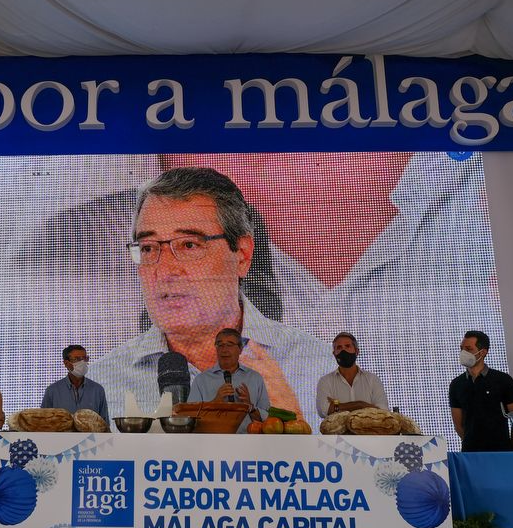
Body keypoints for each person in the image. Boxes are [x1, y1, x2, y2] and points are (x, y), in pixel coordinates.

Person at [89, 166, 333, 421]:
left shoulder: (321, 370)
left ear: (242, 255)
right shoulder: (98, 388)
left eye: (189, 245)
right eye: (148, 249)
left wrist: (298, 437)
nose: (164, 270)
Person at [448, 330, 513, 452]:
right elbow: (458, 425)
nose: (463, 352)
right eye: (461, 348)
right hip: (470, 454)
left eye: (468, 349)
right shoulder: (456, 384)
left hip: (501, 451)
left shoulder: (503, 380)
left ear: (482, 352)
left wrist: (511, 450)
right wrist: (471, 442)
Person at [188, 328, 270, 433]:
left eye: (230, 344)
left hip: (248, 442)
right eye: (220, 345)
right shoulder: (201, 380)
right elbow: (191, 418)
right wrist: (215, 402)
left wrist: (250, 406)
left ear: (240, 349)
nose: (224, 349)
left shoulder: (255, 378)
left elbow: (268, 419)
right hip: (212, 441)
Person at [315, 331, 389, 417]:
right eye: (339, 347)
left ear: (357, 351)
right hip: (338, 430)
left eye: (347, 346)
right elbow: (324, 410)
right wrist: (361, 405)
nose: (343, 350)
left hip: (368, 430)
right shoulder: (325, 381)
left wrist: (337, 406)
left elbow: (383, 411)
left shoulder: (372, 379)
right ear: (334, 354)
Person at [41, 344, 110, 422]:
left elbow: (105, 425)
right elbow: (43, 423)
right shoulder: (52, 391)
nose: (82, 362)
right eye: (77, 359)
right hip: (60, 434)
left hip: (91, 434)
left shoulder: (97, 390)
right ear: (66, 363)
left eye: (85, 358)